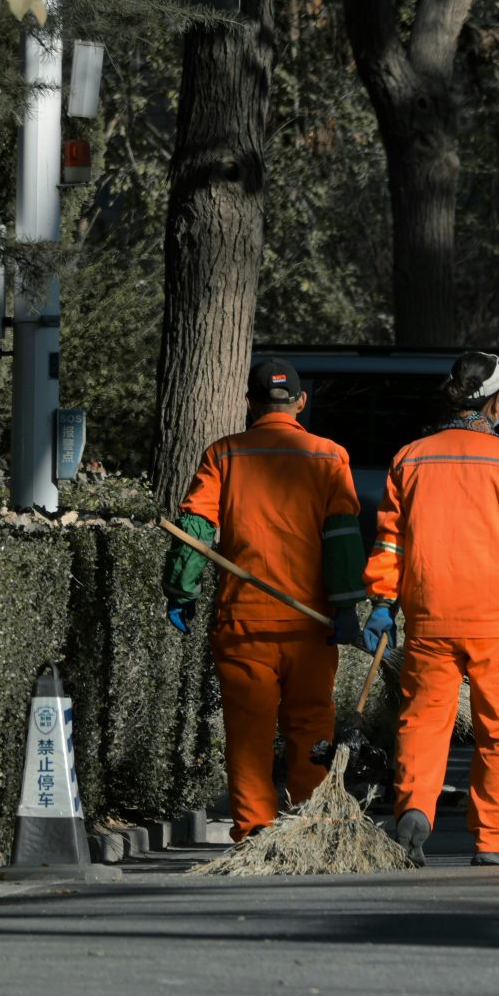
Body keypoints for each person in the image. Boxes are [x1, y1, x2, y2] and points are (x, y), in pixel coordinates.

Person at [364, 352, 499, 867]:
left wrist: (382, 601)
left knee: (422, 722)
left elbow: (390, 542)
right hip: (498, 622)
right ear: (494, 403)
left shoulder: (409, 458)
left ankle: (414, 809)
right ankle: (494, 841)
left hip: (431, 616)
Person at [164, 358, 366, 842]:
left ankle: (254, 831)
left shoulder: (224, 456)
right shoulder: (329, 457)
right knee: (311, 725)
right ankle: (312, 828)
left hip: (244, 623)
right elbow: (342, 537)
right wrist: (345, 607)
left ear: (250, 403)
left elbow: (196, 529)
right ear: (300, 402)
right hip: (310, 625)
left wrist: (180, 589)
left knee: (249, 734)